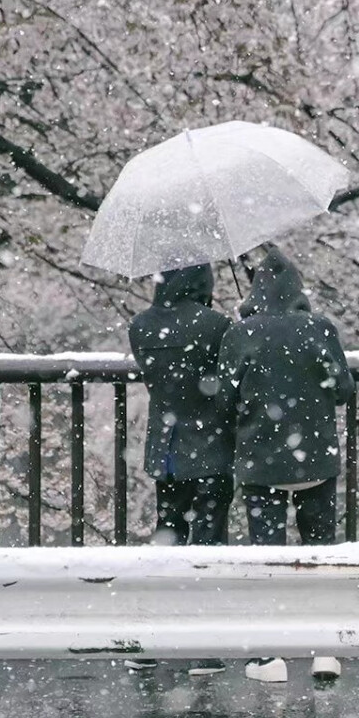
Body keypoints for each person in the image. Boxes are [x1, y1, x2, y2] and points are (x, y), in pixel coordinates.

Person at [217, 243, 354, 684]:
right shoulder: (320, 328)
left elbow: (224, 397)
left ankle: (270, 656)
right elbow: (343, 389)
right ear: (298, 290)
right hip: (314, 459)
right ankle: (326, 651)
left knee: (267, 557)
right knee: (320, 553)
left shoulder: (242, 333)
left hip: (262, 464)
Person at [126, 262, 234, 675]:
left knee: (168, 535)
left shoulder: (142, 326)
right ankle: (204, 647)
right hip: (210, 447)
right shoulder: (215, 325)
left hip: (166, 449)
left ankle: (148, 641)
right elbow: (223, 381)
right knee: (208, 541)